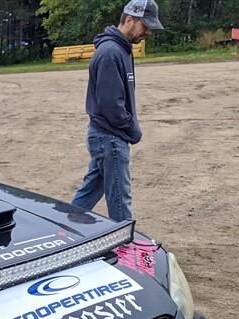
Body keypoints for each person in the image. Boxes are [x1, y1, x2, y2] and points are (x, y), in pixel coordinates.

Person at [71, 0, 162, 222]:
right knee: (121, 201)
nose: (148, 32)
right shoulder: (111, 52)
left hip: (107, 135)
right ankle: (127, 250)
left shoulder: (121, 49)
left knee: (90, 191)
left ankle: (64, 228)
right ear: (129, 19)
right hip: (110, 137)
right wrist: (132, 129)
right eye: (145, 26)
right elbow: (111, 106)